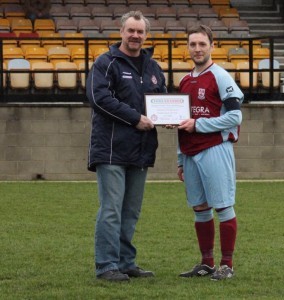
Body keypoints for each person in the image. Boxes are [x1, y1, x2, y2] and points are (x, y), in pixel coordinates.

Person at [86, 10, 167, 282]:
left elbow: (163, 102)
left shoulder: (153, 68)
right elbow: (99, 99)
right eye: (131, 30)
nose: (135, 36)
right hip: (111, 149)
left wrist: (172, 116)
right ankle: (106, 265)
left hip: (141, 150)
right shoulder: (106, 63)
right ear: (121, 32)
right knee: (111, 209)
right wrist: (135, 119)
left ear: (146, 35)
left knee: (130, 211)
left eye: (140, 31)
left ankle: (126, 262)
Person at [176, 25, 244, 281]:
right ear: (188, 47)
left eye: (202, 44)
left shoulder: (221, 76)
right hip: (190, 153)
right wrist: (180, 159)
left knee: (223, 206)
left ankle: (226, 265)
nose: (197, 49)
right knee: (200, 208)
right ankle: (206, 263)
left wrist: (200, 125)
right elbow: (181, 123)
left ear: (212, 46)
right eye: (192, 44)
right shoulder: (185, 80)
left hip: (215, 148)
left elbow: (235, 115)